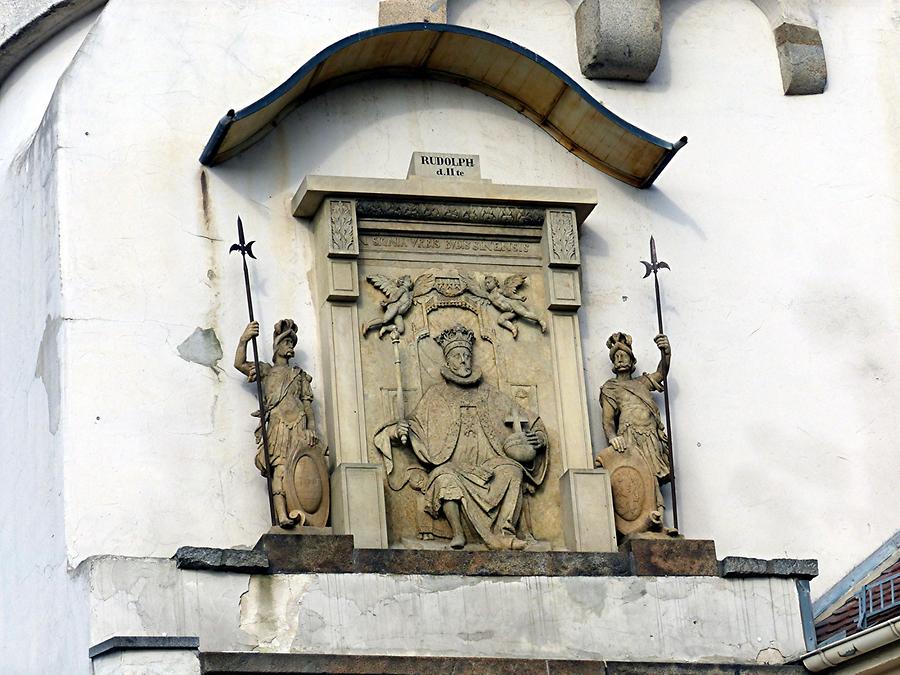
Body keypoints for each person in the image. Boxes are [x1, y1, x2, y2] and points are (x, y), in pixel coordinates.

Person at [374, 324, 548, 550]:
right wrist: (397, 431)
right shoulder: (435, 396)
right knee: (444, 477)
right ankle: (458, 533)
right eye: (457, 356)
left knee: (512, 471)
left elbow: (530, 420)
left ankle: (504, 531)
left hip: (490, 465)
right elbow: (413, 427)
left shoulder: (489, 394)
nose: (464, 360)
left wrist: (540, 437)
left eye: (467, 355)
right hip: (453, 466)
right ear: (447, 362)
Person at [234, 319, 319, 528]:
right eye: (286, 342)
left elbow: (307, 405)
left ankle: (301, 511)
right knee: (280, 468)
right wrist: (244, 340)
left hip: (298, 424)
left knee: (300, 468)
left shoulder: (299, 375)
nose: (290, 345)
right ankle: (282, 514)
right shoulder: (266, 371)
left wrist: (311, 428)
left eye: (292, 342)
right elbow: (239, 364)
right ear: (277, 346)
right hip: (278, 425)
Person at [596, 331, 672, 530]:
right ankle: (645, 521)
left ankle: (659, 519)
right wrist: (612, 438)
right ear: (613, 363)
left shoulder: (641, 383)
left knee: (653, 476)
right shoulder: (610, 388)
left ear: (632, 360)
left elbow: (661, 373)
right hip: (629, 437)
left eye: (624, 356)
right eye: (617, 357)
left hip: (649, 435)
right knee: (638, 476)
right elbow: (608, 421)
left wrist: (666, 353)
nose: (620, 359)